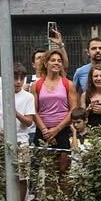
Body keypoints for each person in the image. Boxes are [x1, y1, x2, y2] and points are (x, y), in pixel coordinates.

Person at [0, 64, 36, 201]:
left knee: (22, 176)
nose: (18, 82)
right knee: (1, 176)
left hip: (21, 141)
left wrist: (15, 112)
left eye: (21, 78)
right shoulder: (0, 94)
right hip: (3, 141)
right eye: (15, 78)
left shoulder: (28, 97)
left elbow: (29, 122)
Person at [32, 50, 79, 191]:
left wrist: (57, 129)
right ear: (46, 63)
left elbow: (73, 110)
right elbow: (33, 111)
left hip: (63, 131)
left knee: (64, 170)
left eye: (59, 60)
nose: (56, 63)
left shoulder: (68, 84)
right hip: (43, 132)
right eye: (53, 60)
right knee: (49, 172)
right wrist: (45, 131)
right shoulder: (36, 85)